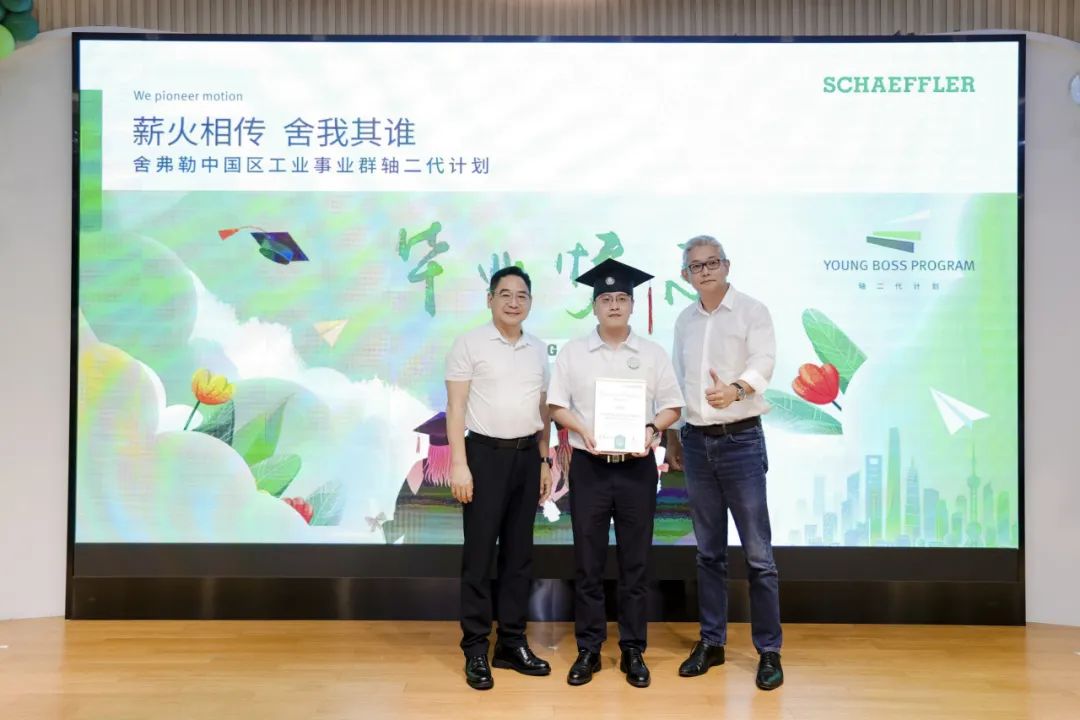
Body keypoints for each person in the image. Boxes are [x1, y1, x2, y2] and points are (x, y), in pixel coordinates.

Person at [547, 258, 684, 689]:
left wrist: (651, 429)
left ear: (632, 305)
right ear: (594, 306)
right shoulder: (573, 352)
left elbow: (672, 406)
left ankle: (632, 649)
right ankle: (589, 648)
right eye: (605, 298)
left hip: (636, 469)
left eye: (621, 298)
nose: (614, 305)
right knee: (588, 562)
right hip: (589, 467)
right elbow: (556, 405)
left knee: (635, 563)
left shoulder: (652, 354)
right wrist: (584, 429)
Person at [666, 235, 784, 691]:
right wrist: (674, 436)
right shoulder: (684, 321)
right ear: (686, 275)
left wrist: (735, 390)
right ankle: (711, 642)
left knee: (758, 555)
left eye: (712, 262)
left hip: (741, 441)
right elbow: (678, 381)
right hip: (696, 444)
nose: (706, 270)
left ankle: (768, 650)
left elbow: (764, 361)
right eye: (696, 266)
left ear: (727, 265)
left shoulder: (752, 311)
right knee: (708, 552)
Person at [445, 266, 554, 690]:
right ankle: (475, 647)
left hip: (527, 457)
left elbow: (542, 410)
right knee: (479, 556)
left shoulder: (537, 349)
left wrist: (544, 459)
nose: (513, 302)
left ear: (530, 302)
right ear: (489, 299)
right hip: (483, 457)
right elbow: (456, 407)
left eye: (521, 295)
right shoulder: (469, 343)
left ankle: (511, 642)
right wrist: (459, 464)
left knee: (518, 555)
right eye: (505, 294)